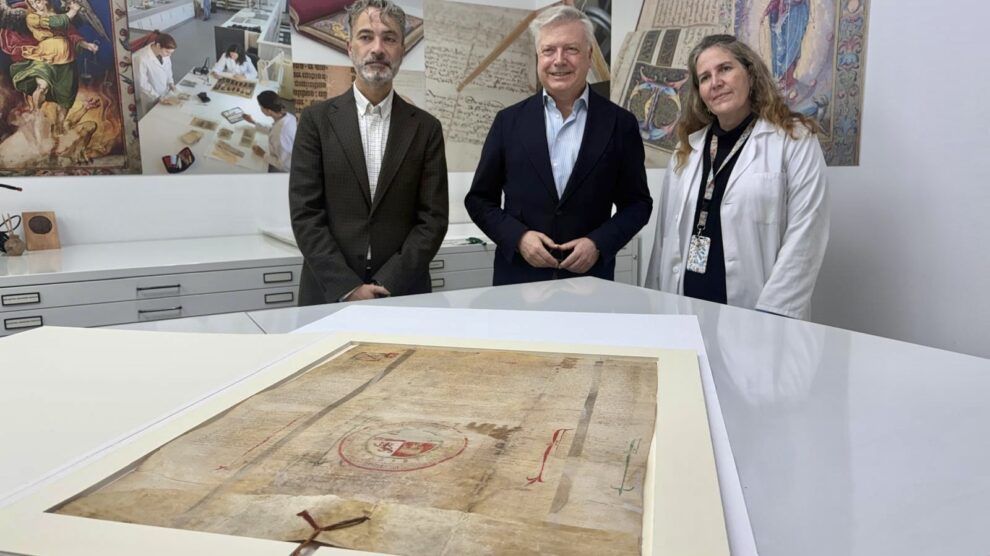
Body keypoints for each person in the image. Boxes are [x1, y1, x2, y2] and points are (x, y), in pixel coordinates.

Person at [644, 34, 829, 320]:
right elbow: (665, 237)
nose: (715, 82)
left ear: (750, 75)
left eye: (725, 69)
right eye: (705, 77)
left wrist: (773, 314)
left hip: (758, 311)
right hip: (687, 306)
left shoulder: (793, 138)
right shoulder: (687, 149)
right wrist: (655, 306)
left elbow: (806, 234)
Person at [464, 6, 651, 286]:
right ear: (538, 57)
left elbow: (638, 204)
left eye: (571, 49)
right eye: (549, 50)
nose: (559, 60)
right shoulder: (508, 122)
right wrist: (519, 238)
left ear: (589, 55)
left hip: (590, 283)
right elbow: (479, 200)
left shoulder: (620, 124)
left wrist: (598, 243)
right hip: (519, 282)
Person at [289, 0, 448, 305]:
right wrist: (348, 287)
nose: (378, 48)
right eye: (366, 37)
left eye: (389, 38)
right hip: (330, 292)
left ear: (402, 50)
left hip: (402, 292)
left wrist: (388, 283)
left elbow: (433, 219)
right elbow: (306, 214)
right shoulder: (315, 121)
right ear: (350, 48)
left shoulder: (426, 129)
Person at [9, 0, 98, 134]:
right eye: (32, 3)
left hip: (67, 60)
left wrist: (87, 45)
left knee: (66, 98)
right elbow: (55, 23)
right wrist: (73, 11)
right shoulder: (32, 18)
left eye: (37, 1)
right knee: (42, 86)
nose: (35, 5)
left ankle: (59, 127)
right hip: (45, 57)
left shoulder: (57, 14)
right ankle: (36, 114)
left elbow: (71, 34)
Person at [243, 90, 296, 172]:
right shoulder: (288, 116)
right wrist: (253, 122)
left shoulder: (279, 136)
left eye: (261, 107)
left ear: (268, 111)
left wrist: (263, 154)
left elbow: (284, 165)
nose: (260, 109)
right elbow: (273, 129)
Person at [132, 32, 176, 119]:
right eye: (167, 52)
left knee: (166, 118)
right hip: (151, 96)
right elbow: (142, 83)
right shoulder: (141, 57)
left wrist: (171, 82)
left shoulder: (164, 52)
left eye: (171, 53)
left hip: (165, 92)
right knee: (153, 119)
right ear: (158, 46)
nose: (169, 55)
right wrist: (157, 97)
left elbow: (168, 69)